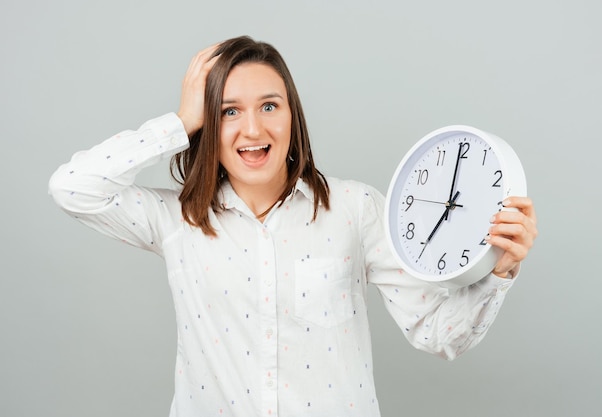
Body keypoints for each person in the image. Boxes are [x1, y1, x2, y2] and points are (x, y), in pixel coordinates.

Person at [48, 36, 537, 417]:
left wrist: (501, 271)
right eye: (229, 111)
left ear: (291, 116)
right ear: (208, 126)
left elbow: (437, 334)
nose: (253, 129)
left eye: (269, 106)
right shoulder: (177, 219)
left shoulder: (356, 209)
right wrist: (179, 121)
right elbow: (72, 186)